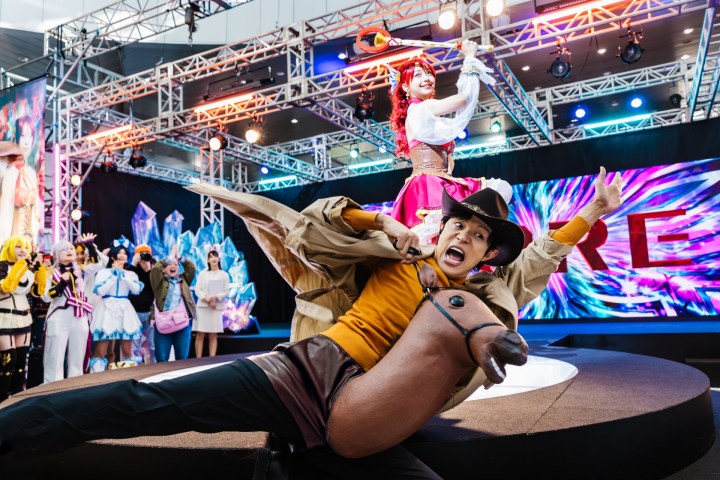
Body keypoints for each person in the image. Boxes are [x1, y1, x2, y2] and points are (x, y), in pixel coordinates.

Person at [0, 168, 623, 478]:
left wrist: (593, 209)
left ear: (489, 253)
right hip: (302, 373)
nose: (464, 235)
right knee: (145, 401)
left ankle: (292, 458)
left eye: (479, 235)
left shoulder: (485, 294)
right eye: (459, 224)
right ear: (443, 229)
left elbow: (544, 255)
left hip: (374, 408)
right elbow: (324, 222)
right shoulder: (399, 252)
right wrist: (382, 224)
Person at [388, 41, 512, 245]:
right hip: (428, 184)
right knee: (500, 189)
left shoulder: (425, 115)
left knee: (435, 237)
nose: (426, 78)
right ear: (405, 86)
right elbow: (466, 98)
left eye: (428, 73)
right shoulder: (422, 108)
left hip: (438, 182)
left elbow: (449, 165)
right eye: (417, 75)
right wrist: (470, 58)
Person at [40, 240, 94, 384]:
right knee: (54, 357)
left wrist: (89, 245)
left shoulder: (82, 271)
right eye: (64, 249)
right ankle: (52, 389)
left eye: (71, 248)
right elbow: (45, 297)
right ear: (57, 253)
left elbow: (99, 264)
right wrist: (61, 283)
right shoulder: (49, 272)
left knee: (78, 357)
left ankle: (75, 389)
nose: (69, 250)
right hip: (59, 315)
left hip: (80, 316)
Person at [87, 244, 144, 372]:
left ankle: (127, 379)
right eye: (120, 252)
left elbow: (136, 290)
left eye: (125, 253)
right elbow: (100, 291)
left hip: (125, 309)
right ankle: (97, 378)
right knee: (100, 351)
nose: (122, 255)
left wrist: (123, 276)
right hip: (107, 308)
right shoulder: (103, 272)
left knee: (127, 352)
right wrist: (113, 276)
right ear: (113, 256)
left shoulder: (130, 274)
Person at [0, 236, 41, 402]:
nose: (23, 250)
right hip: (4, 316)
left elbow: (38, 293)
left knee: (21, 361)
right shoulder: (2, 266)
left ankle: (17, 399)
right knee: (8, 360)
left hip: (24, 318)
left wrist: (40, 271)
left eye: (25, 247)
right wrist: (21, 266)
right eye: (18, 246)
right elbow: (5, 287)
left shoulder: (26, 269)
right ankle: (2, 400)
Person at [150, 246, 196, 362]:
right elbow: (156, 269)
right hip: (162, 324)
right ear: (164, 269)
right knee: (162, 359)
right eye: (170, 264)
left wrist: (179, 258)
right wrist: (170, 256)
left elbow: (191, 268)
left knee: (182, 359)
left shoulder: (183, 279)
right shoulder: (158, 282)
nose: (173, 266)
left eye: (175, 264)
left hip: (182, 324)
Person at [192, 247, 229, 358]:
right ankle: (198, 359)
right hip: (203, 307)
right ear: (207, 260)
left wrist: (215, 297)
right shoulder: (203, 273)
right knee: (200, 334)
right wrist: (206, 298)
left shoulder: (224, 274)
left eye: (215, 256)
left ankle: (211, 359)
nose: (213, 258)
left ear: (219, 258)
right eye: (211, 256)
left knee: (213, 334)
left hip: (215, 308)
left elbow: (226, 291)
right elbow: (197, 289)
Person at [127, 244, 156, 364]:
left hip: (150, 312)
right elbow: (128, 283)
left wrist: (148, 270)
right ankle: (137, 368)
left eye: (146, 254)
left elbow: (155, 288)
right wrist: (133, 264)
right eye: (141, 254)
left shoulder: (154, 269)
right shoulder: (131, 269)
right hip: (134, 312)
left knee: (153, 344)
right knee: (135, 345)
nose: (144, 256)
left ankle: (155, 366)